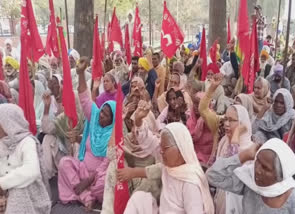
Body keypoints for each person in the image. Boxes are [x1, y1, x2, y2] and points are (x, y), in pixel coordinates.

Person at [118, 103, 214, 213]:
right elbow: (149, 141)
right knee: (139, 198)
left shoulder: (190, 182)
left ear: (180, 148)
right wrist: (139, 120)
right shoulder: (170, 166)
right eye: (161, 147)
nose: (161, 151)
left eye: (165, 148)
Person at [57, 57, 114, 210]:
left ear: (113, 119)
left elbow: (106, 163)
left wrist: (89, 180)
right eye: (102, 111)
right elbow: (84, 99)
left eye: (106, 115)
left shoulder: (113, 134)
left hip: (97, 176)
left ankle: (86, 193)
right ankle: (86, 197)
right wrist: (81, 73)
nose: (101, 115)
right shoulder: (95, 119)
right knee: (64, 163)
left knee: (106, 184)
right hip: (82, 168)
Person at [206, 139, 295, 214]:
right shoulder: (250, 183)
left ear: (279, 176)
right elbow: (213, 176)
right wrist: (245, 155)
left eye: (265, 168)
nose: (257, 170)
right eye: (257, 161)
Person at [0, 104, 51, 213]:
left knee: (17, 192)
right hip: (5, 191)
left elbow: (31, 171)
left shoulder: (27, 142)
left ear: (8, 123)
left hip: (29, 192)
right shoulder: (2, 143)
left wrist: (2, 184)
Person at [214, 104, 253, 214]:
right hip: (222, 196)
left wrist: (236, 135)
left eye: (231, 120)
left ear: (241, 123)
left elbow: (232, 171)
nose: (226, 124)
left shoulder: (250, 150)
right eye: (226, 119)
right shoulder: (224, 141)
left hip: (237, 203)